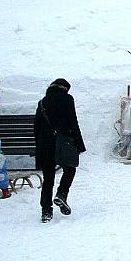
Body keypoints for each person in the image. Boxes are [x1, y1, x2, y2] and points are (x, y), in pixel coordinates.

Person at [34, 79, 86, 222]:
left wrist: (39, 148)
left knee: (48, 177)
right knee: (70, 169)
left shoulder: (42, 102)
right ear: (64, 89)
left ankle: (46, 211)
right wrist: (80, 144)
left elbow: (36, 127)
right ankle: (61, 194)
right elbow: (73, 122)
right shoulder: (67, 99)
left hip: (45, 144)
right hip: (63, 143)